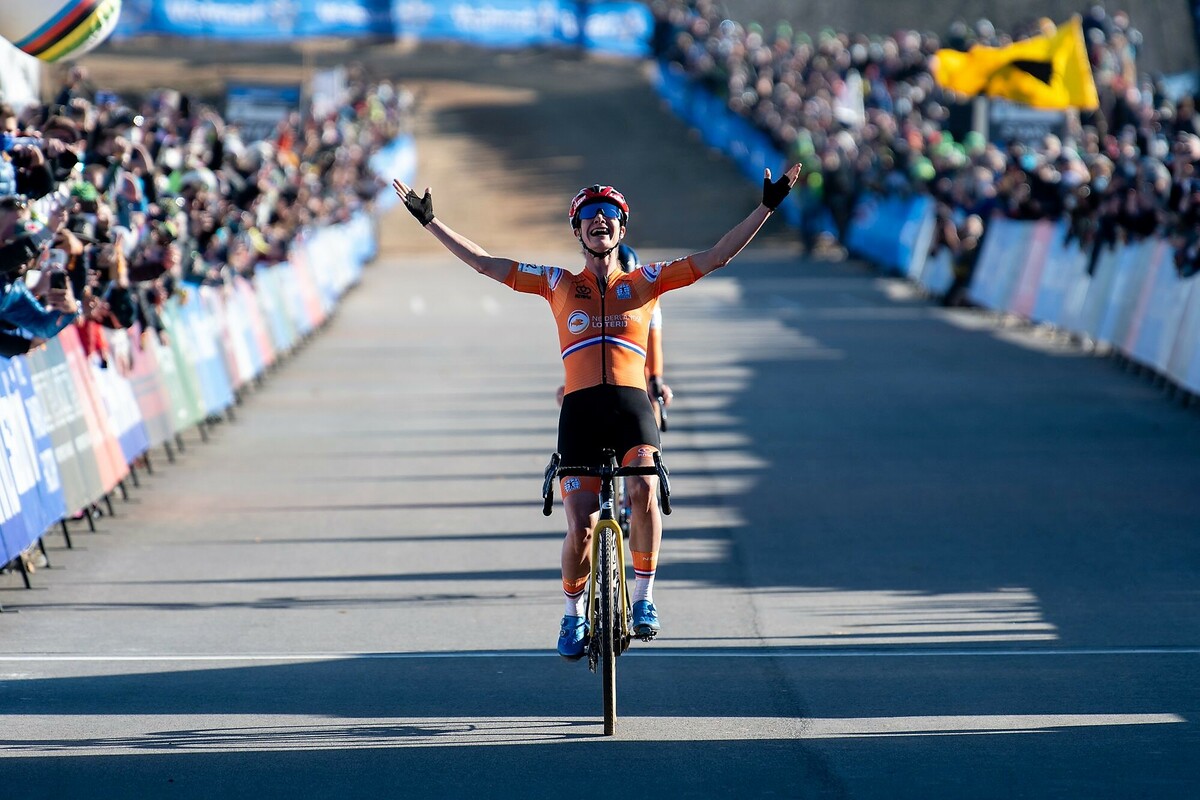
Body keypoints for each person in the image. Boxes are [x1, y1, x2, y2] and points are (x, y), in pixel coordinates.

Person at [392, 164, 802, 659]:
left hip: (631, 407)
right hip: (581, 413)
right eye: (589, 215)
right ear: (577, 230)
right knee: (580, 527)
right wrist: (431, 223)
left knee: (645, 486)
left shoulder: (648, 281)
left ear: (622, 228)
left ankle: (645, 599)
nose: (600, 220)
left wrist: (767, 207)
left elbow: (716, 257)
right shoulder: (557, 283)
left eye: (610, 214)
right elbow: (485, 263)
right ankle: (572, 616)